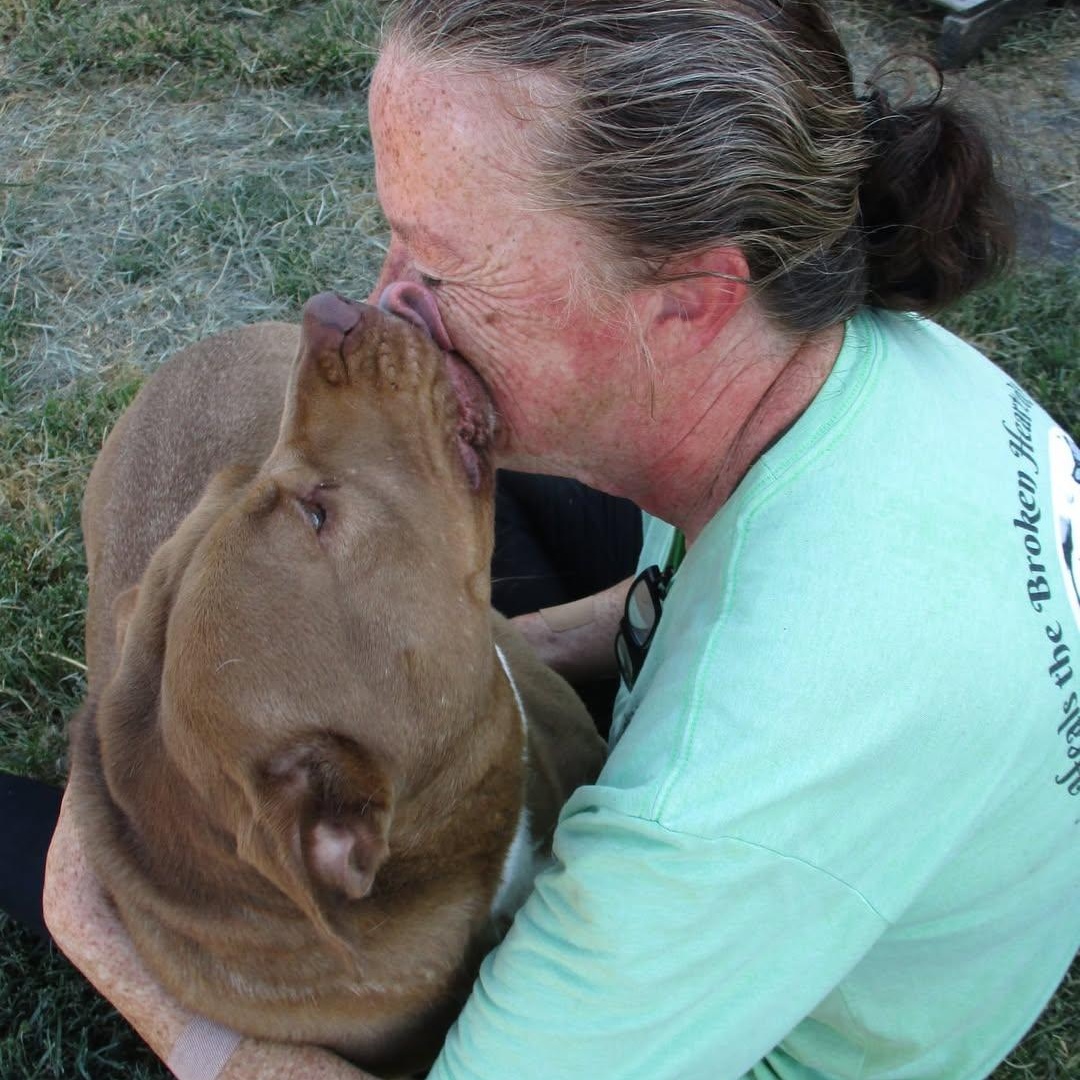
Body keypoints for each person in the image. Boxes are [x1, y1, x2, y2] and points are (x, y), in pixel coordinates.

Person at [39, 1, 1080, 1078]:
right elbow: (692, 602)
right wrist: (470, 665)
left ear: (690, 299)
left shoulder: (723, 793)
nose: (382, 296)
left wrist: (104, 937)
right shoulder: (862, 374)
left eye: (442, 267)